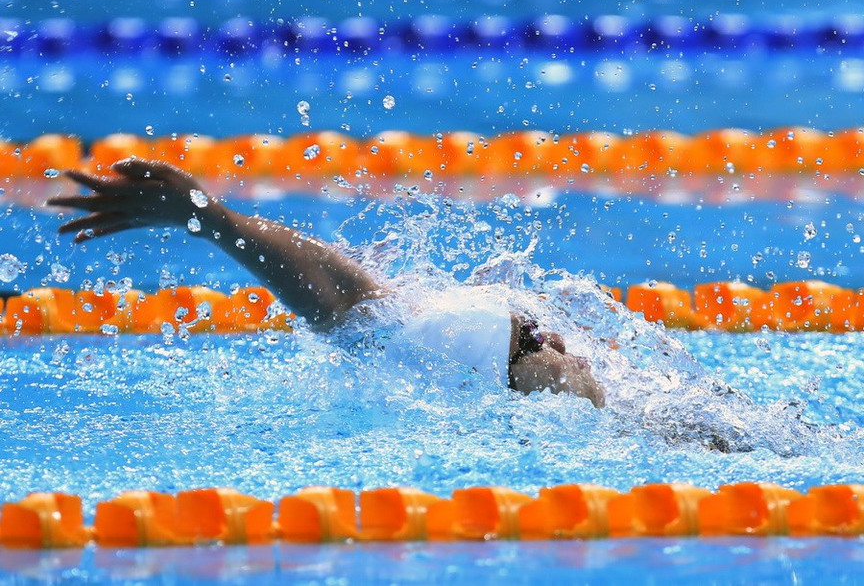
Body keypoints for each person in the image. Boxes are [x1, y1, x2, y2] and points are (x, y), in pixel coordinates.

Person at [47, 158, 605, 407]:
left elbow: (346, 302)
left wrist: (213, 219)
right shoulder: (423, 353)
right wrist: (210, 219)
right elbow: (346, 302)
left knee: (365, 322)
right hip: (486, 356)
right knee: (365, 321)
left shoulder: (418, 352)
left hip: (484, 352)